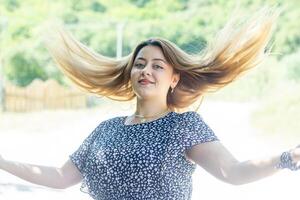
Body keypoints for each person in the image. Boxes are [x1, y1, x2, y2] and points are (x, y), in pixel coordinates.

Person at [0, 7, 299, 200]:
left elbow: (233, 172)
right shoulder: (105, 130)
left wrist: (286, 158)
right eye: (140, 64)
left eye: (158, 66)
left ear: (174, 79)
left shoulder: (184, 126)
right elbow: (59, 176)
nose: (146, 70)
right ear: (130, 74)